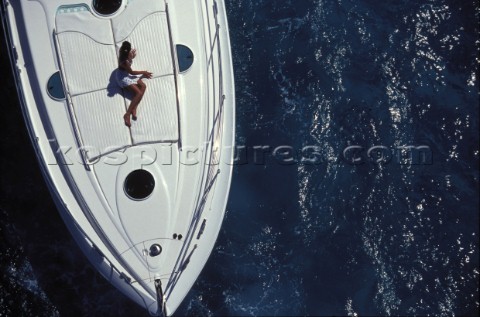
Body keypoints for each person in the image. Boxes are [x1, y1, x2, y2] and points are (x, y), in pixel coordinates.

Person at [116, 41, 153, 127]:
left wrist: (131, 56)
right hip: (123, 77)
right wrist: (143, 72)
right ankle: (127, 114)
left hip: (127, 73)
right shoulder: (123, 62)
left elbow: (130, 59)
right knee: (138, 93)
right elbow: (132, 72)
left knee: (143, 86)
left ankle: (134, 107)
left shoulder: (125, 53)